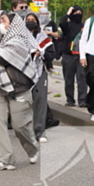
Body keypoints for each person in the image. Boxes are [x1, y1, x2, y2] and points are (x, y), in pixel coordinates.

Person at [0, 12, 40, 170]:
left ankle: (32, 148)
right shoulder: (1, 40)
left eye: (4, 20)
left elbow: (1, 58)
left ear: (14, 24)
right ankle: (4, 159)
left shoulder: (19, 39)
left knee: (19, 125)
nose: (1, 23)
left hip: (18, 87)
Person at [25, 12, 55, 143]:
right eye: (28, 19)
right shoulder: (20, 37)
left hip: (39, 71)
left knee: (40, 101)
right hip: (23, 72)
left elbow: (52, 54)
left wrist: (41, 52)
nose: (31, 21)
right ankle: (25, 130)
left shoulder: (44, 38)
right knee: (24, 102)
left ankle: (40, 131)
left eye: (33, 20)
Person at [59, 5, 87, 107]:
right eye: (75, 13)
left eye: (80, 13)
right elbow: (61, 22)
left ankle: (83, 100)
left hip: (81, 56)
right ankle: (70, 100)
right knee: (69, 79)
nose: (78, 15)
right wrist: (68, 12)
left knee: (82, 79)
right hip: (68, 55)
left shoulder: (84, 26)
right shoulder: (67, 25)